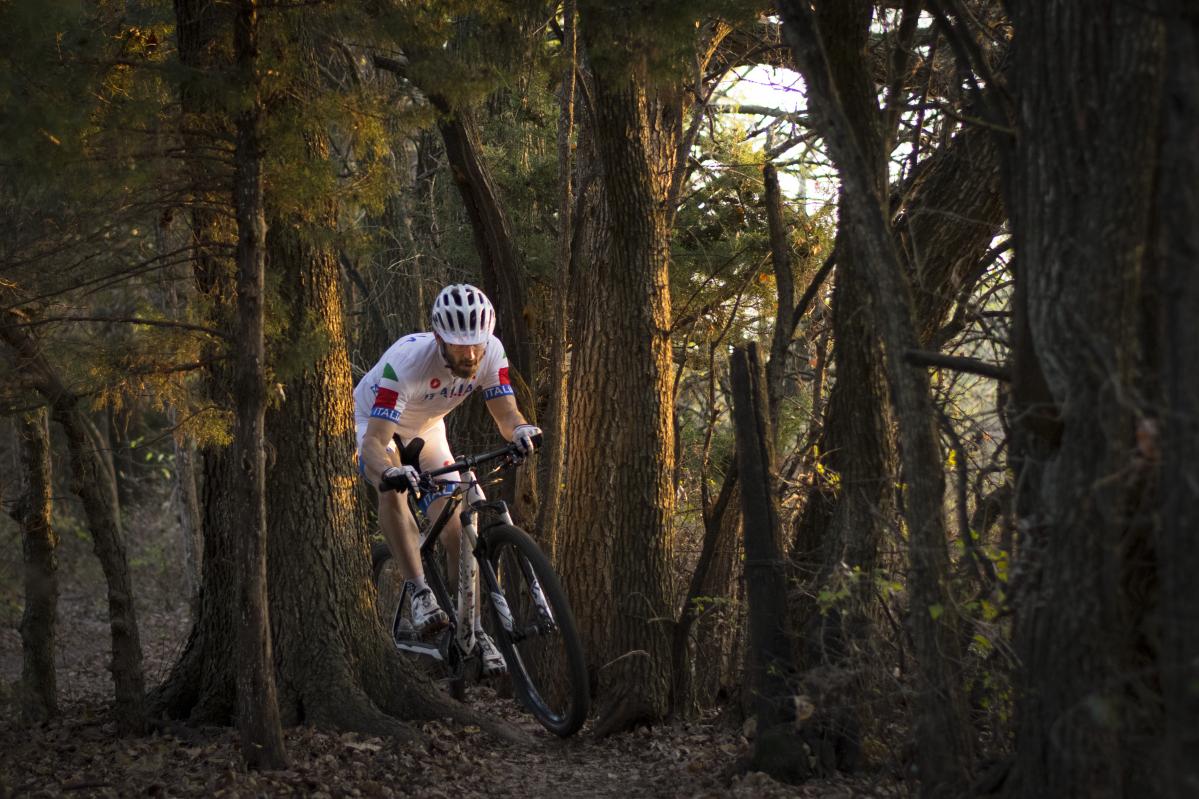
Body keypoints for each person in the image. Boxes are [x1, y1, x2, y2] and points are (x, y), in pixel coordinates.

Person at [354, 283, 541, 676]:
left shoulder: (491, 351)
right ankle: (420, 592)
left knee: (458, 524)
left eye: (477, 343)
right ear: (439, 337)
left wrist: (521, 429)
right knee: (393, 490)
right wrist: (389, 471)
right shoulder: (406, 363)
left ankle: (469, 626)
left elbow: (506, 413)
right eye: (460, 345)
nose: (471, 354)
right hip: (376, 427)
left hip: (427, 428)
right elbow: (374, 441)